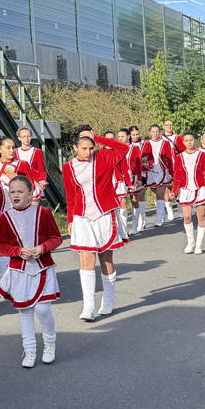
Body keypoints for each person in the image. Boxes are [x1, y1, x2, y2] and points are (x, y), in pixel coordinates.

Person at [0, 175, 63, 367]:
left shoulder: (44, 213)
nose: (16, 195)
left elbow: (56, 238)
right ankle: (30, 349)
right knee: (24, 310)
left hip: (43, 267)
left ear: (30, 193)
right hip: (19, 270)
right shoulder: (3, 218)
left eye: (20, 191)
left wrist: (42, 248)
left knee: (42, 308)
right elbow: (0, 246)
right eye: (12, 192)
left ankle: (50, 344)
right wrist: (17, 251)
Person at [63, 126, 128, 321]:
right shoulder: (68, 167)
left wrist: (98, 138)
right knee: (85, 259)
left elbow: (123, 149)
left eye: (91, 148)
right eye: (84, 148)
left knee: (106, 260)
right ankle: (88, 306)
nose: (88, 152)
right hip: (83, 217)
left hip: (104, 214)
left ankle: (108, 300)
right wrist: (70, 219)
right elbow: (70, 195)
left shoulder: (104, 157)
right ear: (75, 148)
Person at [173, 132, 205, 255]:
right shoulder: (179, 157)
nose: (189, 142)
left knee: (201, 216)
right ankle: (191, 242)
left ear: (194, 141)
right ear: (183, 142)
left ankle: (199, 245)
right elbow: (177, 175)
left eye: (191, 140)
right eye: (186, 140)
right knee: (187, 216)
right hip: (185, 189)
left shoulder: (202, 155)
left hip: (200, 188)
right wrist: (175, 191)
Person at [141, 123, 178, 226]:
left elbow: (169, 159)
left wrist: (171, 173)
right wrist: (146, 165)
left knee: (160, 194)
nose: (155, 133)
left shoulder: (165, 143)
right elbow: (143, 157)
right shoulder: (147, 143)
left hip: (162, 171)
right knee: (153, 191)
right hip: (150, 171)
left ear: (160, 132)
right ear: (150, 133)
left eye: (157, 131)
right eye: (153, 132)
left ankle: (159, 217)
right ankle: (145, 219)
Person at [12, 126, 48, 202]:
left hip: (35, 186)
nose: (26, 139)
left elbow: (42, 170)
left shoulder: (37, 151)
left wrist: (43, 184)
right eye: (24, 137)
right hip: (20, 185)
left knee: (33, 211)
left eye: (28, 136)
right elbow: (10, 169)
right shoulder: (14, 152)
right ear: (19, 138)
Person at [123, 126, 147, 233]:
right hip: (121, 179)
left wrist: (138, 179)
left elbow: (138, 165)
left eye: (122, 136)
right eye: (119, 137)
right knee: (122, 202)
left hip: (133, 177)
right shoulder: (117, 149)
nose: (121, 139)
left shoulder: (134, 148)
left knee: (134, 200)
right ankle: (123, 229)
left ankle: (135, 225)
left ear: (127, 137)